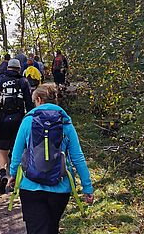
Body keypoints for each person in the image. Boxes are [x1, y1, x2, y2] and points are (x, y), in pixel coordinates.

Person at [8, 84, 94, 234]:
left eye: (35, 101)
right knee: (51, 228)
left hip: (30, 187)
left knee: (36, 229)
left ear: (39, 100)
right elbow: (77, 157)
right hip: (60, 188)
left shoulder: (28, 121)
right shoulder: (65, 122)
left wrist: (13, 174)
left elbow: (16, 153)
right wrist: (87, 187)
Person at [0, 58, 33, 194]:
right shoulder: (23, 81)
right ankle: (15, 179)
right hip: (19, 120)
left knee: (2, 149)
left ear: (8, 68)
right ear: (19, 69)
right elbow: (29, 103)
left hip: (3, 119)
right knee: (18, 148)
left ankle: (2, 174)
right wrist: (31, 120)